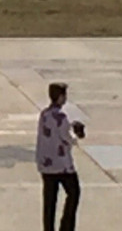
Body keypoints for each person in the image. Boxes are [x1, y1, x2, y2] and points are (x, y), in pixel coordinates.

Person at [36, 82, 85, 231]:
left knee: (49, 200)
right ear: (61, 97)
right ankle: (66, 226)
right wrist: (77, 135)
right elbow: (66, 138)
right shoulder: (61, 117)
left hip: (46, 164)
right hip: (61, 165)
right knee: (74, 193)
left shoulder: (44, 114)